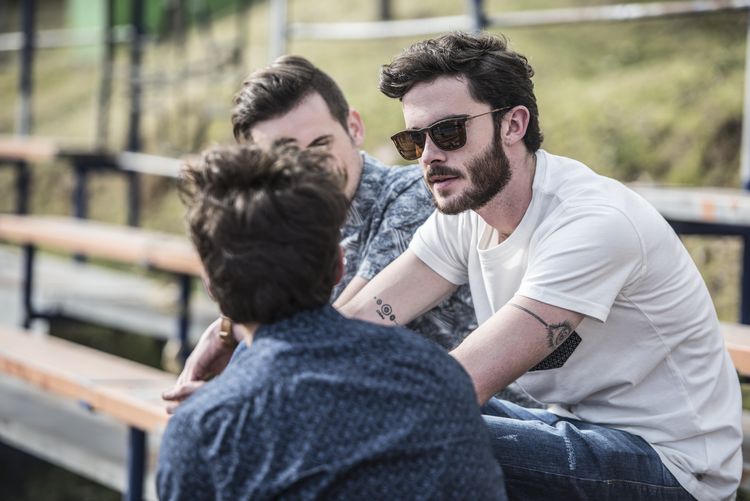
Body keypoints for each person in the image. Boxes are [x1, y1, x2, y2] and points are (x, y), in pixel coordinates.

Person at [332, 32, 742, 500]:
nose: (429, 156)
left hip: (675, 466)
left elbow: (458, 384)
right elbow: (359, 320)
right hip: (573, 430)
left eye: (448, 132)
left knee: (413, 430)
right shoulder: (466, 214)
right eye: (414, 140)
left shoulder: (591, 223)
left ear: (513, 124)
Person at [163, 54, 535, 409]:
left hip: (481, 424)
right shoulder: (280, 228)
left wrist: (230, 381)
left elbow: (333, 332)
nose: (309, 166)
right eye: (284, 155)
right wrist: (229, 331)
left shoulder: (416, 198)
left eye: (320, 144)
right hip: (368, 416)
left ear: (353, 127)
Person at [156, 141, 506, 500]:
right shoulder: (438, 374)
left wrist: (217, 405)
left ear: (211, 285)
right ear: (339, 265)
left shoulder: (206, 431)